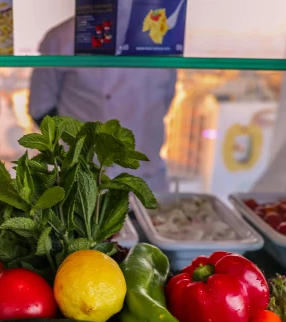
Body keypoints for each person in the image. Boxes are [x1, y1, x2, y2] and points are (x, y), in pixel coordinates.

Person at [29, 19, 177, 193]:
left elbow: (165, 101)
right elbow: (41, 109)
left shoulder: (161, 36)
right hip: (85, 187)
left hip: (150, 184)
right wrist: (79, 148)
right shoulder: (61, 38)